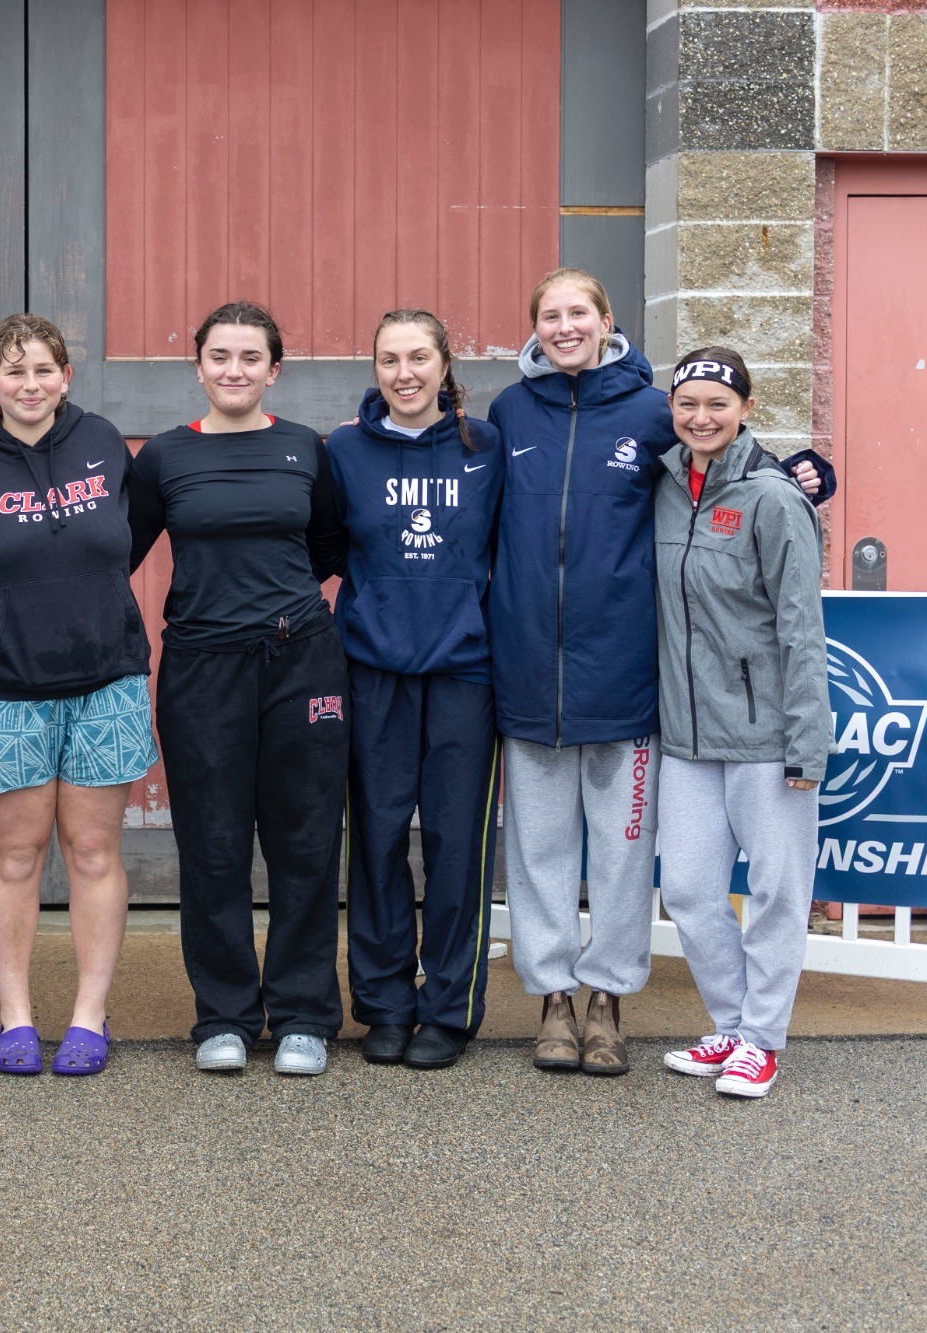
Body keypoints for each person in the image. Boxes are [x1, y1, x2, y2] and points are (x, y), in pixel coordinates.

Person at [488, 269, 832, 1076]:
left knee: (621, 853)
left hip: (627, 677)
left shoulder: (652, 410)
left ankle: (607, 998)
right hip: (532, 673)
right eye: (551, 314)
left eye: (581, 312)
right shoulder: (509, 412)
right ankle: (553, 998)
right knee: (537, 851)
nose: (566, 326)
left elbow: (738, 471)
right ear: (534, 326)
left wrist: (807, 474)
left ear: (609, 322)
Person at [0, 313, 156, 1077]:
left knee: (93, 851)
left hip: (106, 679)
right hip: (5, 687)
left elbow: (131, 537)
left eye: (44, 370)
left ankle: (90, 1016)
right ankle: (16, 1017)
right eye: (13, 372)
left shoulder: (104, 444)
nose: (31, 385)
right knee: (16, 855)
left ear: (67, 376)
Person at [129, 301, 349, 1077]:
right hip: (200, 669)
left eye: (250, 357)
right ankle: (222, 1013)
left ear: (274, 370)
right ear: (198, 367)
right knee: (214, 847)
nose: (234, 370)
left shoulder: (306, 450)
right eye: (219, 356)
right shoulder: (162, 457)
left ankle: (302, 1014)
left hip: (302, 665)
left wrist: (275, 612)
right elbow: (117, 549)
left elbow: (327, 546)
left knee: (306, 842)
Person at [323, 310, 504, 1071]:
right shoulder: (343, 451)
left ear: (443, 364)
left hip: (464, 672)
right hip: (374, 670)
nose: (405, 372)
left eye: (419, 357)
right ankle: (386, 1004)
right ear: (375, 369)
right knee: (377, 842)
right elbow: (323, 550)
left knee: (459, 848)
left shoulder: (485, 448)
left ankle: (449, 1007)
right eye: (390, 359)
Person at [652, 347, 828, 1099]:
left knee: (778, 893)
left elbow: (801, 628)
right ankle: (730, 1023)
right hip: (687, 736)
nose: (701, 417)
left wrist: (805, 740)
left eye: (717, 404)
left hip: (765, 737)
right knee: (690, 889)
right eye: (688, 403)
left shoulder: (774, 497)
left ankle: (763, 1038)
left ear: (747, 408)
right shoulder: (661, 487)